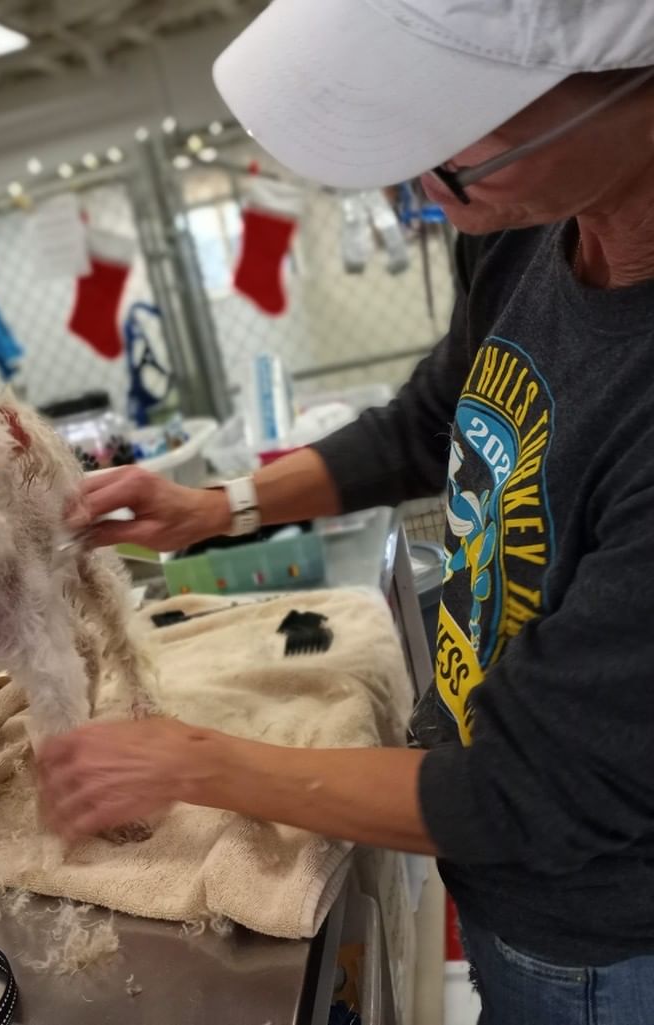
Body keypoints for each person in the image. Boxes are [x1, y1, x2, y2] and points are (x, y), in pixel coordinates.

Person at [36, 1, 654, 1021]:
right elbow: (434, 416)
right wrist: (219, 504)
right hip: (504, 865)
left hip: (601, 932)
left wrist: (201, 761)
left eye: (454, 153)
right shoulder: (533, 223)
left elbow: (525, 791)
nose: (422, 187)